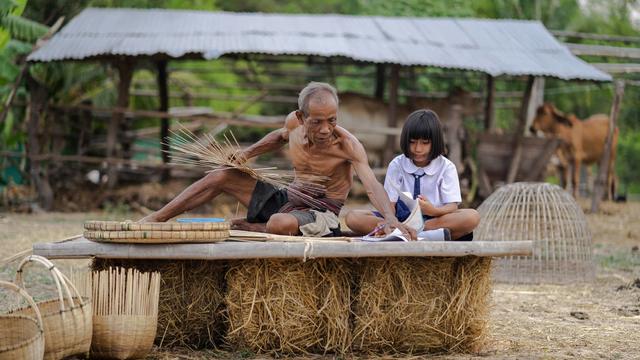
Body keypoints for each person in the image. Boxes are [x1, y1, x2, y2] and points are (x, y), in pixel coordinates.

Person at [140, 82, 416, 239]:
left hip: (320, 213)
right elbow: (279, 136)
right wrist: (248, 153)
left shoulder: (348, 145)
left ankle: (247, 226)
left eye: (332, 121)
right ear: (300, 117)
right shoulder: (292, 126)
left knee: (278, 225)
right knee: (222, 175)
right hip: (287, 198)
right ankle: (157, 218)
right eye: (317, 121)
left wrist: (391, 219)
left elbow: (370, 184)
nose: (325, 129)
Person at [345, 109, 479, 241]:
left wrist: (432, 211)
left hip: (434, 220)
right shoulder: (397, 164)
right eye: (412, 142)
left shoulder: (446, 167)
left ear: (436, 142)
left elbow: (452, 206)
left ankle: (412, 234)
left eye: (425, 143)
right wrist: (390, 221)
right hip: (398, 220)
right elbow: (389, 204)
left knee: (472, 216)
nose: (418, 149)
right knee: (353, 217)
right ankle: (414, 234)